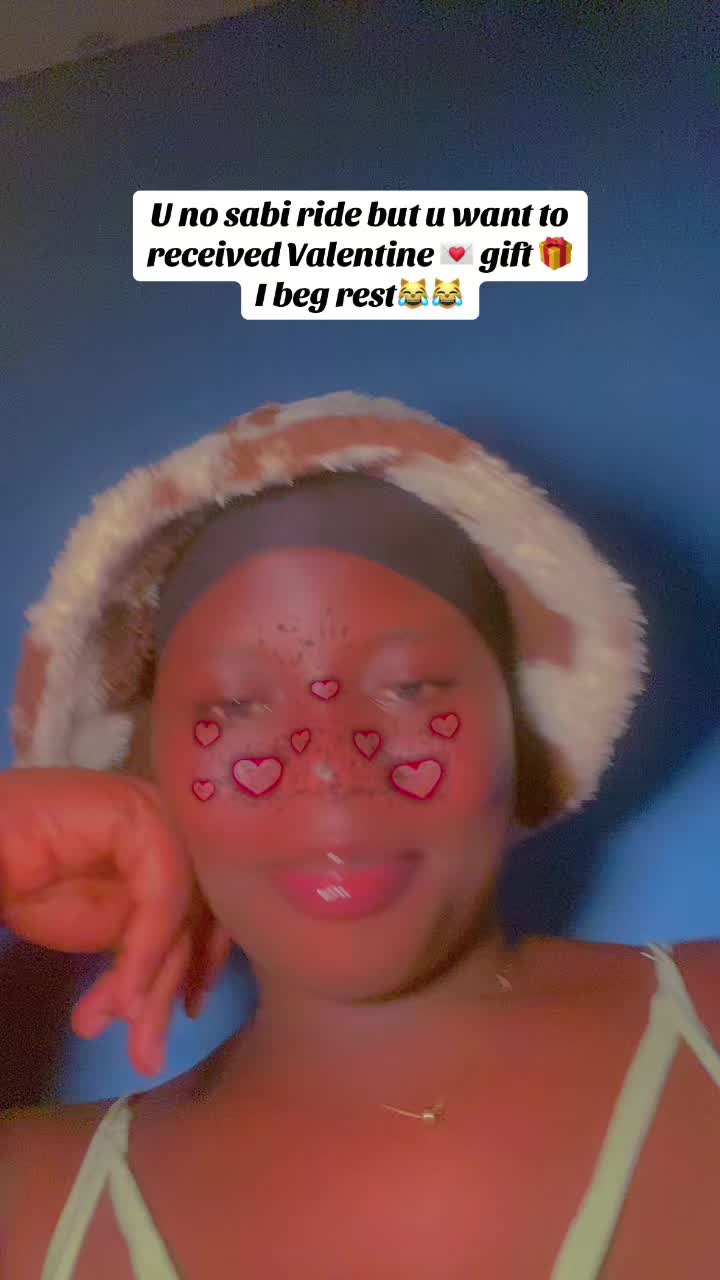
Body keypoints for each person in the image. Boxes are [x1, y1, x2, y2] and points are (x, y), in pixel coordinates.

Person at [1, 390, 718, 1279]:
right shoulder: (37, 1198)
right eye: (237, 704)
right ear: (145, 775)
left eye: (410, 688)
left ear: (520, 730)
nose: (333, 764)